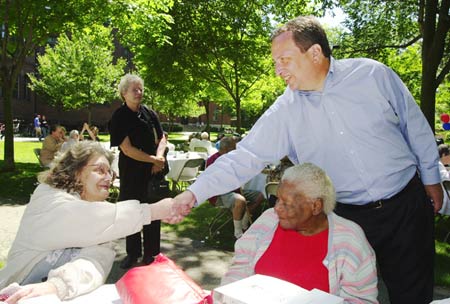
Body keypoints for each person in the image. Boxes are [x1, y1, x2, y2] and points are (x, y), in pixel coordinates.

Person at [171, 15, 442, 304]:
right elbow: (245, 157)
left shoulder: (373, 75)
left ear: (315, 53)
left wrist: (432, 179)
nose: (278, 70)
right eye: (276, 62)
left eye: (284, 60)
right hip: (346, 218)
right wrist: (193, 192)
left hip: (405, 207)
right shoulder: (285, 110)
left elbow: (415, 126)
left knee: (414, 297)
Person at [0, 141, 178, 303]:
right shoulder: (48, 198)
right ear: (76, 171)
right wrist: (153, 211)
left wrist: (57, 285)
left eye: (111, 173)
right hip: (11, 292)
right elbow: (83, 218)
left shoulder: (102, 219)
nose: (108, 178)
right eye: (100, 170)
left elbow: (94, 263)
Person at [222, 163, 378, 303]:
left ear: (316, 206)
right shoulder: (269, 220)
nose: (277, 208)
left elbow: (361, 300)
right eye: (277, 200)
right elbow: (240, 266)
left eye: (287, 204)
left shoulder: (350, 240)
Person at [109, 73, 167, 269]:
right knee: (131, 213)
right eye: (134, 89)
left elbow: (162, 138)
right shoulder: (119, 117)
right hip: (131, 174)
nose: (139, 92)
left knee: (153, 213)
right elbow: (126, 149)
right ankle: (133, 254)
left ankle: (152, 254)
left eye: (140, 89)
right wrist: (153, 159)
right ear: (124, 93)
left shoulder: (150, 113)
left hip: (153, 174)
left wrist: (159, 158)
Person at [207, 136, 264, 239]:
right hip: (220, 193)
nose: (235, 151)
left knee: (259, 196)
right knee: (240, 200)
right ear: (225, 149)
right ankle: (238, 233)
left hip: (235, 190)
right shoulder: (213, 160)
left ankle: (244, 223)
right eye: (233, 149)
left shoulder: (231, 158)